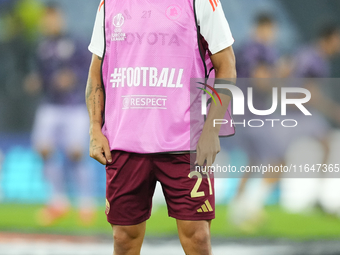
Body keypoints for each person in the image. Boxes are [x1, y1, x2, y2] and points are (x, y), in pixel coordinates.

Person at [86, 0, 236, 254]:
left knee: (198, 237)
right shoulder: (108, 3)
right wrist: (94, 129)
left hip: (187, 142)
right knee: (124, 238)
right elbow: (95, 73)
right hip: (125, 140)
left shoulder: (201, 1)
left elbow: (227, 65)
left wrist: (212, 131)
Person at [26, 3, 95, 225]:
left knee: (76, 153)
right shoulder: (42, 46)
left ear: (61, 18)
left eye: (53, 18)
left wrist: (73, 77)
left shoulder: (76, 42)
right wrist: (36, 81)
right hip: (50, 105)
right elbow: (39, 73)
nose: (50, 23)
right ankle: (58, 201)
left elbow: (89, 70)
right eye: (47, 19)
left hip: (74, 105)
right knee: (43, 149)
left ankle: (86, 204)